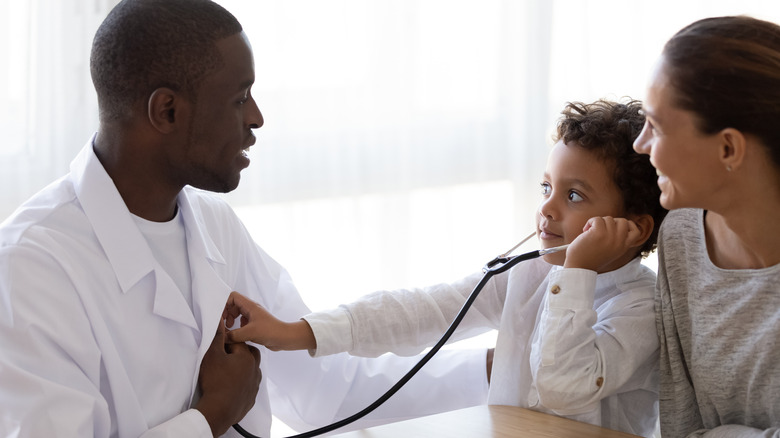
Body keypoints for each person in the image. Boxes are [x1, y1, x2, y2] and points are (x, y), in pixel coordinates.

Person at [0, 1, 491, 437]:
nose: (257, 118)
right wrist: (211, 416)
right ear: (166, 111)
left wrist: (503, 371)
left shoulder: (214, 226)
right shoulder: (29, 267)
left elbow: (326, 390)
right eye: (239, 98)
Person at [224, 99, 669, 437]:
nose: (546, 210)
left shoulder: (642, 310)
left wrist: (576, 273)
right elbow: (424, 311)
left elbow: (563, 386)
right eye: (546, 187)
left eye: (574, 196)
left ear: (634, 227)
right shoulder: (528, 274)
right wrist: (296, 332)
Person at [633, 15, 780, 438]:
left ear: (728, 147)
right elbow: (682, 420)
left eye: (655, 126)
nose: (640, 145)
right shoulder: (680, 238)